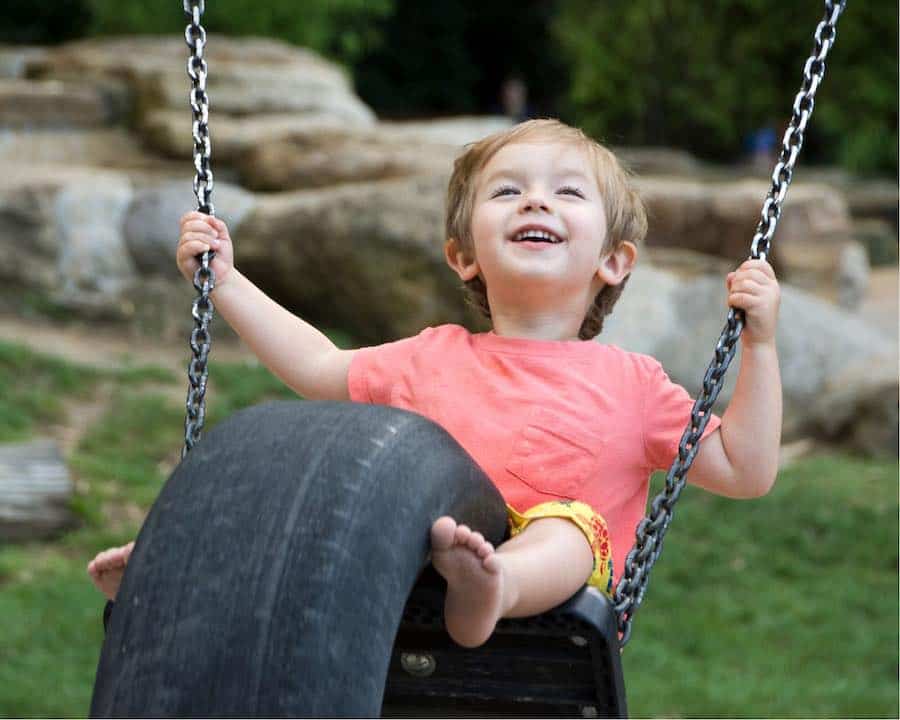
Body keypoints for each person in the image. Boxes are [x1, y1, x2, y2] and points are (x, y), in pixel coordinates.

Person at [88, 119, 782, 649]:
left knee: (573, 525)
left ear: (614, 260)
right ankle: (185, 573)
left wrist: (760, 345)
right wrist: (227, 285)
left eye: (565, 192)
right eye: (508, 191)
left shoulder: (633, 384)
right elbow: (319, 367)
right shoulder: (431, 358)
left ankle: (496, 585)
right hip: (406, 570)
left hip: (551, 617)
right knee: (304, 491)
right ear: (463, 255)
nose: (534, 202)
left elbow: (745, 469)